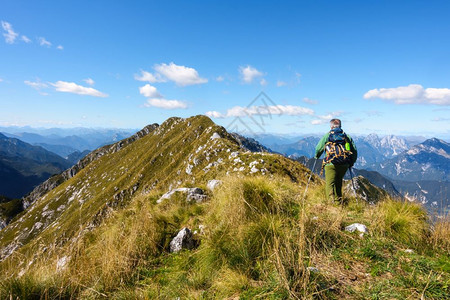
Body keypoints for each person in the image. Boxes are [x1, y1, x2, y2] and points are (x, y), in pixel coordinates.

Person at [314, 119, 357, 204]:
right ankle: (338, 202)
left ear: (331, 126)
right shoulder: (346, 136)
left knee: (330, 184)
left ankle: (331, 204)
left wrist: (316, 156)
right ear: (340, 126)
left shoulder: (327, 136)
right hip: (344, 163)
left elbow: (318, 148)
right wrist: (351, 162)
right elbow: (354, 151)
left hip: (331, 163)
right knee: (338, 182)